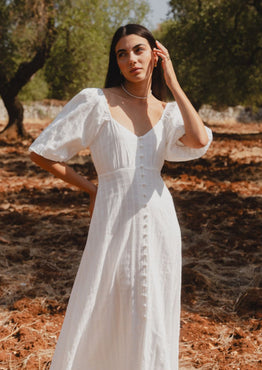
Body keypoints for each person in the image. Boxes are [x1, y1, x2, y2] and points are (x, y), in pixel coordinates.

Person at [29, 24, 212, 370]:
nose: (131, 59)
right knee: (103, 299)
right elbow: (42, 152)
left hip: (159, 220)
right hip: (111, 217)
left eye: (139, 50)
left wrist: (172, 82)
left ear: (155, 56)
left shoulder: (168, 112)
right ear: (116, 60)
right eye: (122, 53)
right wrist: (93, 188)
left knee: (151, 306)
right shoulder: (95, 101)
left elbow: (200, 140)